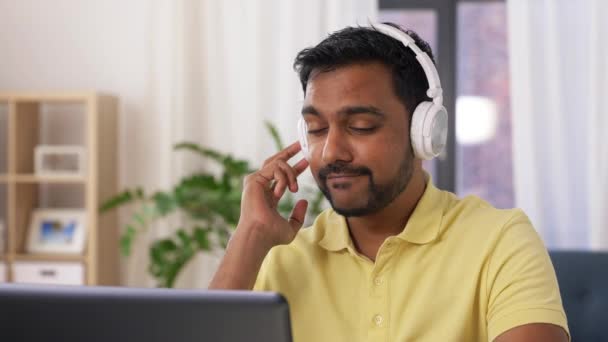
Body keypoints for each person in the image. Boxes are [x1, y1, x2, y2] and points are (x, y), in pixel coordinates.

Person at [210, 23, 569, 342]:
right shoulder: (281, 259)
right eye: (317, 129)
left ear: (424, 132)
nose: (332, 150)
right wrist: (251, 235)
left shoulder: (500, 240)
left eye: (361, 126)